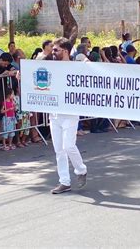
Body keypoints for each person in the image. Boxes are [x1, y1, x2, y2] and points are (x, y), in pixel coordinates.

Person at [49, 37, 87, 194]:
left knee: (68, 146)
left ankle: (81, 169)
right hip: (55, 113)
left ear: (64, 51)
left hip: (70, 113)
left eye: (56, 50)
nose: (52, 52)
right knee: (59, 150)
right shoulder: (50, 66)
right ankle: (64, 181)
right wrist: (22, 78)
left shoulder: (76, 66)